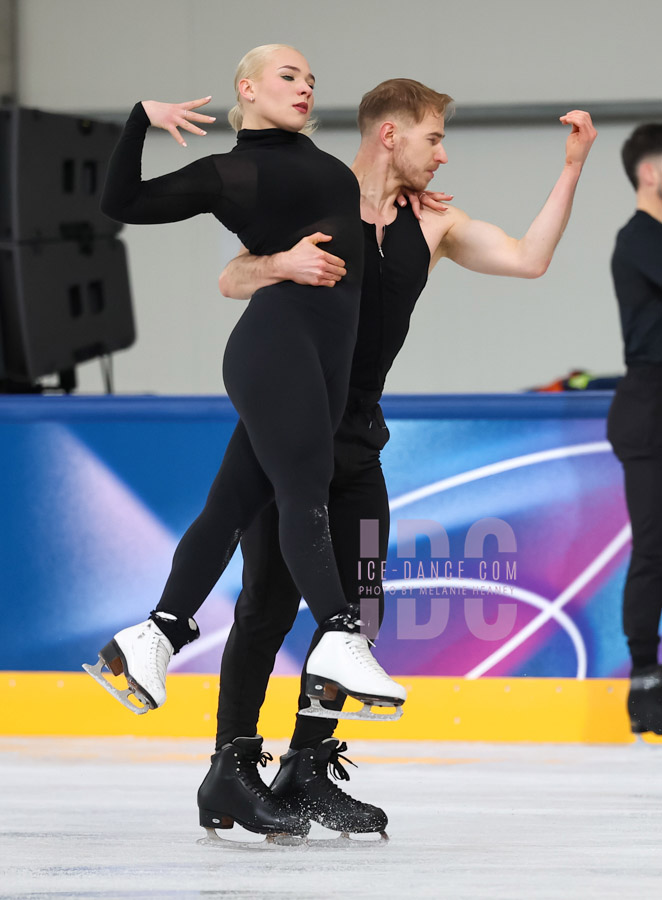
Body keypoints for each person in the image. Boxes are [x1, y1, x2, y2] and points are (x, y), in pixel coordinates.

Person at [209, 79, 597, 836]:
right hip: (287, 433)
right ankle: (229, 767)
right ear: (390, 135)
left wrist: (573, 166)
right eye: (433, 140)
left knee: (360, 609)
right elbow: (231, 277)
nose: (443, 155)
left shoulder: (435, 225)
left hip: (357, 441)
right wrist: (279, 265)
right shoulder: (313, 202)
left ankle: (308, 765)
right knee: (266, 605)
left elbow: (528, 259)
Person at [85, 44, 407, 839]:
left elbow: (357, 205)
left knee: (230, 505)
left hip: (315, 363)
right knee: (304, 495)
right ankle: (338, 633)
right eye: (289, 76)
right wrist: (139, 121)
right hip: (277, 349)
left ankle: (153, 634)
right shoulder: (232, 173)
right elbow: (122, 201)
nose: (304, 87)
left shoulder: (324, 163)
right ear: (248, 89)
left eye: (310, 80)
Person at [607, 123, 662, 737]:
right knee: (653, 548)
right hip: (650, 408)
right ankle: (646, 685)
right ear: (650, 172)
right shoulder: (639, 238)